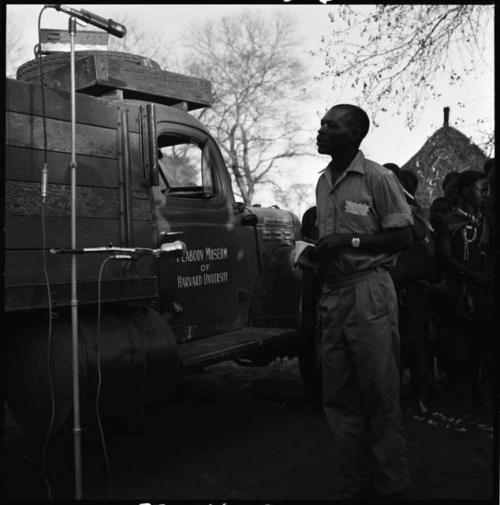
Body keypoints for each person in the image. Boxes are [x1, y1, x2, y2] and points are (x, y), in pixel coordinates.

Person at [313, 104, 412, 500]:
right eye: (321, 123)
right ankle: (355, 485)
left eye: (330, 125)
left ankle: (391, 484)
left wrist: (350, 241)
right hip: (333, 294)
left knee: (379, 392)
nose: (320, 130)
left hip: (370, 291)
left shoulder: (378, 178)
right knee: (338, 397)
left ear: (354, 135)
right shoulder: (323, 181)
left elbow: (404, 238)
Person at [436, 170, 494, 411]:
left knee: (487, 345)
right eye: (483, 190)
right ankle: (465, 393)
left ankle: (484, 394)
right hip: (459, 292)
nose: (487, 195)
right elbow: (447, 256)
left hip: (486, 290)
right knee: (462, 346)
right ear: (466, 192)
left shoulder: (489, 221)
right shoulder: (449, 222)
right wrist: (472, 275)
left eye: (488, 190)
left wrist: (488, 273)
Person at [390, 169, 438, 414]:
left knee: (410, 344)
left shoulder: (410, 217)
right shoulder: (417, 217)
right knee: (407, 344)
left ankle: (414, 396)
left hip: (408, 290)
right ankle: (410, 396)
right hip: (409, 289)